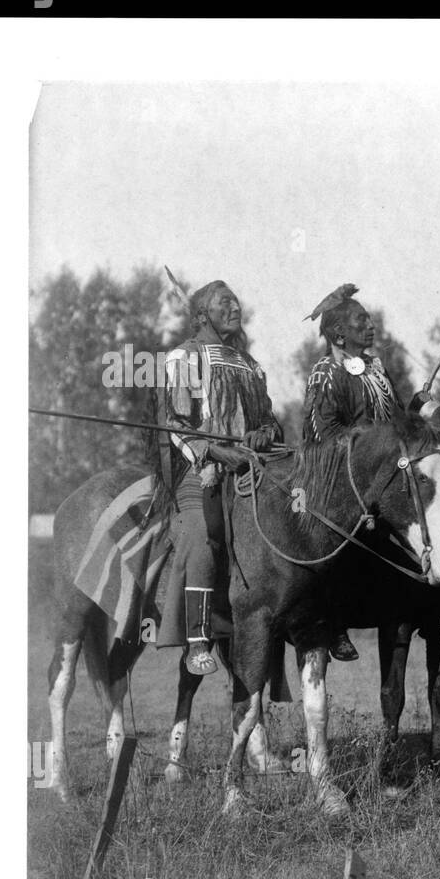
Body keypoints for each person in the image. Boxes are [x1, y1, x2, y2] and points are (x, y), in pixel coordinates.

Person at [157, 278, 282, 675]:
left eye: (235, 301)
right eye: (223, 302)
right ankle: (198, 639)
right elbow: (175, 424)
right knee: (202, 532)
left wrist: (266, 432)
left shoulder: (250, 364)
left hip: (249, 468)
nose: (234, 308)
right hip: (202, 469)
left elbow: (269, 420)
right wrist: (212, 450)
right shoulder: (183, 358)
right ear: (202, 315)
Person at [301, 283, 401, 662]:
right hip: (341, 477)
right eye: (362, 321)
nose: (371, 326)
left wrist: (418, 408)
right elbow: (321, 433)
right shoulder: (326, 372)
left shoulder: (376, 368)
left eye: (370, 319)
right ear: (339, 333)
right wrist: (364, 444)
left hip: (384, 475)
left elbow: (395, 418)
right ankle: (332, 619)